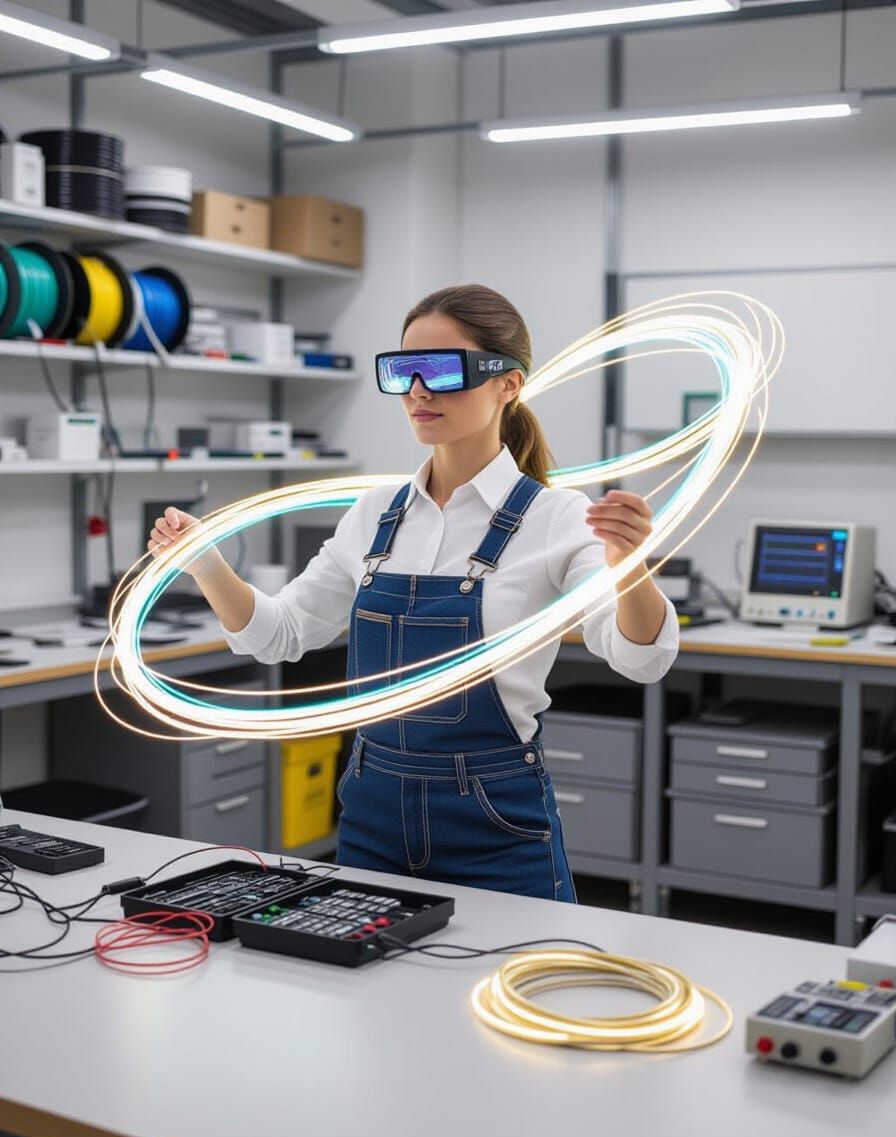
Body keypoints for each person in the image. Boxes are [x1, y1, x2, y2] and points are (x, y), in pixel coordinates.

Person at [148, 284, 678, 902]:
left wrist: (630, 567)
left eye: (443, 369)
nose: (419, 390)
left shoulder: (559, 518)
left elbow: (640, 657)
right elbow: (280, 635)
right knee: (374, 993)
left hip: (496, 821)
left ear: (507, 383)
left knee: (505, 991)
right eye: (403, 371)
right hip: (373, 814)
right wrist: (206, 564)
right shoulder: (373, 514)